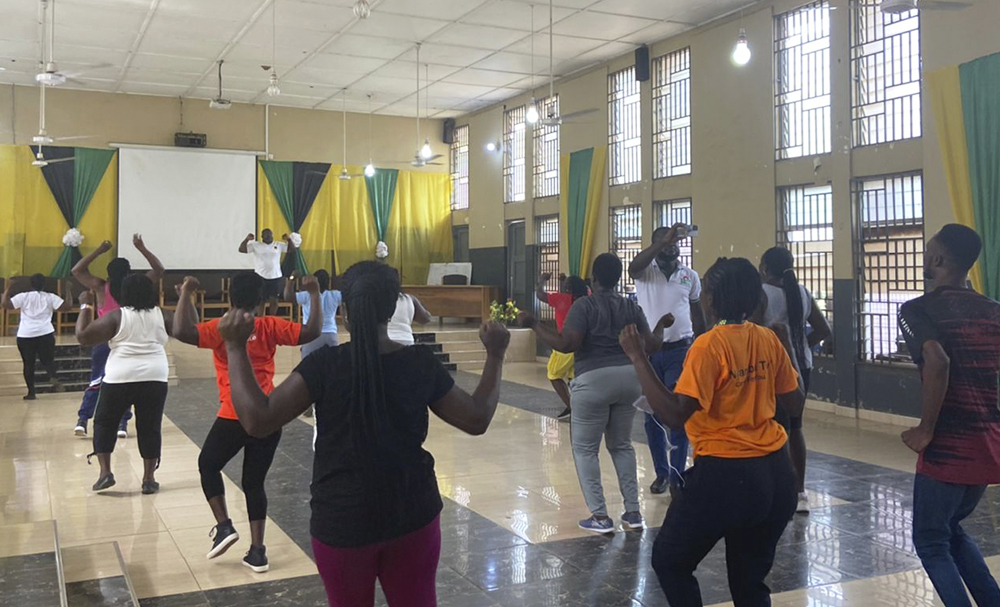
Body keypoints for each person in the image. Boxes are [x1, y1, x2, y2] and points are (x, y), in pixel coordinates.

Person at [215, 260, 510, 607]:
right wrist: (496, 355)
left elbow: (257, 420)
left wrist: (235, 348)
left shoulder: (325, 366)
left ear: (343, 313)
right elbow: (476, 418)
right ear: (393, 308)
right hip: (411, 514)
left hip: (343, 521)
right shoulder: (419, 362)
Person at [620, 256, 804, 607]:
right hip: (777, 475)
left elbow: (675, 415)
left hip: (726, 474)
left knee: (670, 561)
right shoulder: (767, 338)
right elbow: (794, 405)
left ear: (712, 298)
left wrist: (638, 358)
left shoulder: (707, 346)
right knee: (749, 582)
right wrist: (786, 346)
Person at [171, 271, 321, 574]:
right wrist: (315, 294)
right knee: (254, 483)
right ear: (263, 300)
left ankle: (225, 526)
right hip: (268, 414)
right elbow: (311, 331)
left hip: (233, 415)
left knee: (208, 465)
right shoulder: (269, 326)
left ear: (230, 297)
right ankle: (258, 551)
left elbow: (181, 330)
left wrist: (185, 293)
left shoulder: (221, 328)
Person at [520, 253, 673, 534]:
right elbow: (651, 345)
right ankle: (634, 512)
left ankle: (601, 517)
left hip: (593, 380)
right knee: (622, 445)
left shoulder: (585, 306)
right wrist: (662, 324)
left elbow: (567, 344)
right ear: (618, 278)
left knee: (585, 449)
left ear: (594, 278)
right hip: (629, 379)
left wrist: (534, 325)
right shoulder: (631, 305)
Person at [898, 224, 1000, 607]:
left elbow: (937, 360)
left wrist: (926, 429)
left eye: (928, 250)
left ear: (938, 259)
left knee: (930, 540)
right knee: (951, 530)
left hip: (948, 450)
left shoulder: (917, 310)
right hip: (988, 445)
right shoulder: (993, 311)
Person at [628, 224, 707, 496]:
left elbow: (698, 313)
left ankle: (677, 475)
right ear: (656, 244)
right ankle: (661, 473)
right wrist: (662, 242)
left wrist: (703, 342)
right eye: (665, 241)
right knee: (652, 416)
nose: (672, 245)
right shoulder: (645, 273)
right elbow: (633, 267)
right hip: (650, 352)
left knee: (677, 410)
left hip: (681, 351)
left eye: (675, 241)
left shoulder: (690, 276)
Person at [75, 273, 171, 495]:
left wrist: (84, 306)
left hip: (120, 376)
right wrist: (185, 295)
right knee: (150, 427)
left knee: (105, 423)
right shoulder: (163, 314)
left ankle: (105, 473)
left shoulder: (117, 316)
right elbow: (187, 327)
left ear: (124, 294)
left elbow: (83, 336)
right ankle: (149, 478)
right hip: (155, 375)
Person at [758, 246, 832, 514]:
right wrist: (802, 348)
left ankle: (776, 491)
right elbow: (824, 329)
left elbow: (753, 331)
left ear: (765, 267)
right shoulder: (802, 292)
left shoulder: (763, 294)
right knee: (795, 427)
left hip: (772, 369)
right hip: (802, 367)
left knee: (774, 429)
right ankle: (800, 492)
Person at [72, 235, 165, 438]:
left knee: (96, 381)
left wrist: (99, 250)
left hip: (103, 339)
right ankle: (122, 424)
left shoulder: (100, 286)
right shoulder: (137, 285)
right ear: (129, 272)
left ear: (108, 273)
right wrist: (142, 247)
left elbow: (77, 270)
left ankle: (83, 419)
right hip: (129, 337)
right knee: (127, 382)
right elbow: (159, 270)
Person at [1, 274, 71, 399]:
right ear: (44, 284)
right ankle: (52, 376)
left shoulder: (24, 296)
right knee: (48, 360)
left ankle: (31, 392)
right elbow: (67, 307)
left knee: (28, 364)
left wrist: (9, 288)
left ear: (31, 284)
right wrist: (68, 290)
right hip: (45, 333)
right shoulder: (50, 297)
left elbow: (6, 304)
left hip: (25, 334)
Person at [285, 269, 342, 418]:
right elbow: (347, 296)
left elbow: (288, 297)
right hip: (331, 335)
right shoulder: (335, 294)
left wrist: (291, 279)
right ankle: (333, 401)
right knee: (333, 370)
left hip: (311, 335)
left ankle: (309, 404)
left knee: (308, 372)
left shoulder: (307, 295)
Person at [534, 272, 590, 421]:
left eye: (564, 287)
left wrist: (541, 281)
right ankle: (580, 407)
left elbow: (540, 295)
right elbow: (573, 291)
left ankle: (573, 408)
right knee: (573, 378)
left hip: (565, 345)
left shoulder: (562, 299)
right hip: (582, 345)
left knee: (553, 374)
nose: (561, 289)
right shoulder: (587, 297)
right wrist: (564, 282)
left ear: (568, 289)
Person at [239, 229, 295, 317]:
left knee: (274, 301)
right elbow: (242, 249)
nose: (268, 236)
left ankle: (272, 319)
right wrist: (247, 239)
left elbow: (291, 249)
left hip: (275, 277)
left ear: (273, 235)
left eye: (269, 234)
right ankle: (261, 319)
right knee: (261, 301)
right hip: (260, 277)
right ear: (262, 237)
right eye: (265, 235)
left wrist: (288, 239)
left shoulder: (278, 245)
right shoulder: (256, 245)